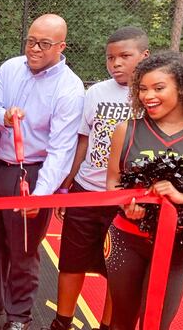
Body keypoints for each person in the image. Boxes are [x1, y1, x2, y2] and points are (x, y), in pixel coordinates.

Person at [0, 14, 84, 330]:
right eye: (31, 40)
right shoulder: (10, 68)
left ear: (61, 46)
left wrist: (41, 195)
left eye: (44, 43)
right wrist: (5, 116)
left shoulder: (69, 88)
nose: (35, 49)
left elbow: (61, 150)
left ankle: (18, 316)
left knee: (24, 249)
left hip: (32, 173)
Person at [45, 27, 150, 330]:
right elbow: (82, 140)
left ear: (144, 56)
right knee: (72, 260)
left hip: (127, 198)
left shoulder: (151, 95)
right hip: (88, 191)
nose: (116, 63)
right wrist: (68, 183)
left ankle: (107, 325)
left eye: (124, 56)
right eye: (110, 58)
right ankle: (61, 321)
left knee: (118, 269)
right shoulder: (96, 92)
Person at [104, 51, 183, 330]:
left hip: (173, 246)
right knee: (120, 322)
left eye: (159, 88)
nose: (148, 96)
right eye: (143, 89)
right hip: (125, 239)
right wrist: (125, 204)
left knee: (157, 324)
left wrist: (182, 198)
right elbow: (112, 182)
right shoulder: (126, 130)